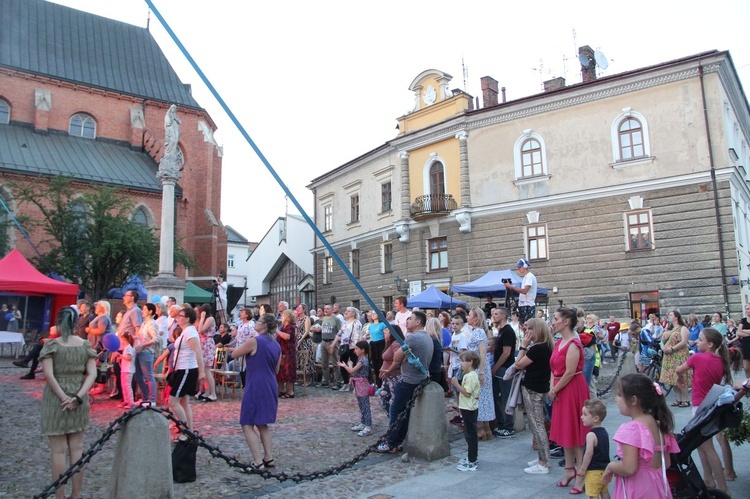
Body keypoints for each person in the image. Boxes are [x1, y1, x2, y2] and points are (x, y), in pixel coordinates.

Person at [39, 307, 97, 499]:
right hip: (78, 396)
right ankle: (77, 494)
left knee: (58, 451)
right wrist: (78, 397)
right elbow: (92, 374)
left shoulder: (51, 345)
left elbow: (49, 374)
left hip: (56, 400)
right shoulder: (84, 345)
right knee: (77, 449)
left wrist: (64, 397)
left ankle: (60, 495)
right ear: (75, 323)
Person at [602, 373, 679, 499]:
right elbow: (667, 463)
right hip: (658, 488)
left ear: (633, 400)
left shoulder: (631, 429)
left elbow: (629, 468)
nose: (616, 399)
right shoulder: (659, 426)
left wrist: (611, 466)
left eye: (619, 395)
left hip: (637, 490)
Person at [675, 327, 733, 494]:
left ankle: (723, 486)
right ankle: (708, 478)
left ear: (709, 344)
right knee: (700, 443)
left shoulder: (698, 358)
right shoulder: (720, 360)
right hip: (712, 404)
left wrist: (680, 379)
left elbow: (679, 369)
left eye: (700, 340)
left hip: (700, 406)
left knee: (707, 447)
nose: (697, 342)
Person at [376, 311, 433, 453]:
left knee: (396, 411)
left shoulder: (412, 338)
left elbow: (396, 356)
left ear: (418, 322)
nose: (407, 322)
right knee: (404, 412)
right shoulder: (427, 337)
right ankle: (398, 440)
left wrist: (402, 358)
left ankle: (391, 442)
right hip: (418, 378)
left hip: (409, 380)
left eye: (410, 319)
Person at [231, 313, 281, 470]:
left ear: (264, 325)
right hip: (270, 383)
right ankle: (269, 457)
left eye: (258, 321)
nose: (255, 324)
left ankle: (257, 460)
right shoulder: (276, 344)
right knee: (262, 423)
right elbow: (277, 369)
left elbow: (234, 354)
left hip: (256, 384)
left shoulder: (254, 341)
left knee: (247, 423)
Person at [549, 307, 590, 490]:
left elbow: (570, 372)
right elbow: (554, 368)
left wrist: (555, 388)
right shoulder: (559, 343)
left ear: (566, 321)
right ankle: (568, 469)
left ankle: (581, 473)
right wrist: (552, 387)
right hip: (560, 388)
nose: (553, 321)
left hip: (572, 388)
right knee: (566, 430)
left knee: (576, 431)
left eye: (556, 318)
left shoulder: (574, 343)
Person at [517, 318, 553, 475]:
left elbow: (518, 363)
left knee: (537, 424)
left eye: (529, 328)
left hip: (534, 389)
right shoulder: (543, 346)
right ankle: (542, 457)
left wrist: (523, 345)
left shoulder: (539, 348)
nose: (526, 331)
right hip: (536, 386)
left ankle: (544, 461)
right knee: (535, 424)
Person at [169, 307, 206, 434]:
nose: (177, 317)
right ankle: (189, 430)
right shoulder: (186, 331)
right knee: (184, 402)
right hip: (182, 369)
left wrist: (202, 373)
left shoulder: (190, 332)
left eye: (181, 315)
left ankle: (184, 431)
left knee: (173, 402)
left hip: (186, 369)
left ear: (188, 319)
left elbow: (198, 351)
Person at [466, 308, 495, 440]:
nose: (467, 317)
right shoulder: (479, 331)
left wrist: (481, 372)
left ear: (476, 318)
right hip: (481, 367)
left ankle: (480, 430)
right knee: (484, 399)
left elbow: (482, 352)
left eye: (470, 315)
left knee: (477, 399)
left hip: (478, 368)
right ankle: (486, 429)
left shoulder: (477, 332)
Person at [573, 399, 610, 498]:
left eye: (585, 415)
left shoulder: (591, 435)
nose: (581, 417)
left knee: (593, 494)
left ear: (595, 418)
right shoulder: (604, 432)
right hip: (604, 469)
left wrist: (582, 469)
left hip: (593, 471)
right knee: (604, 490)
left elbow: (588, 454)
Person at [490, 307, 516, 438]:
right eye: (493, 314)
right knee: (496, 396)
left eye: (496, 314)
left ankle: (509, 426)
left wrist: (495, 367)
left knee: (506, 397)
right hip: (500, 368)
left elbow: (506, 353)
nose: (493, 316)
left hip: (504, 368)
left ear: (504, 316)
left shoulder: (508, 331)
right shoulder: (501, 331)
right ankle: (501, 423)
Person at [452, 350, 481, 472]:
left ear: (471, 362)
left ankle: (472, 460)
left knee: (470, 434)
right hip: (467, 407)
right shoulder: (469, 375)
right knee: (469, 433)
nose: (461, 364)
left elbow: (467, 392)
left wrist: (456, 384)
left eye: (463, 361)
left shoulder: (470, 376)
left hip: (469, 408)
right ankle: (471, 457)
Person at [339, 340, 373, 437]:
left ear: (362, 350)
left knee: (365, 405)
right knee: (361, 404)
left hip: (362, 385)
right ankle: (363, 423)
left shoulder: (363, 360)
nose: (355, 351)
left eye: (357, 349)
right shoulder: (360, 360)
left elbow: (352, 370)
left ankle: (368, 426)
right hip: (358, 384)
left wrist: (346, 365)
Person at [660, 310, 692, 408]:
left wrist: (672, 348)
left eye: (670, 315)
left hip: (678, 355)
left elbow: (683, 342)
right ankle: (678, 399)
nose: (669, 316)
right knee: (672, 378)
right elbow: (662, 340)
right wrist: (663, 348)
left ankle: (686, 399)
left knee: (681, 377)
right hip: (669, 357)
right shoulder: (669, 328)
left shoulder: (683, 328)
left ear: (676, 317)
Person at [332, 306, 362, 391]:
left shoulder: (356, 323)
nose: (346, 312)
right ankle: (345, 383)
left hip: (352, 346)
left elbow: (356, 334)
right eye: (346, 311)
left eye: (348, 311)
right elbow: (339, 334)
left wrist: (356, 347)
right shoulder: (344, 323)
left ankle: (356, 385)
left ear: (353, 313)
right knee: (342, 364)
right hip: (344, 346)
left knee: (354, 364)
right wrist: (333, 344)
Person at [378, 325, 403, 414]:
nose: (385, 332)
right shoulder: (390, 344)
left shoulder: (396, 344)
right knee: (383, 398)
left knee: (393, 400)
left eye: (387, 331)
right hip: (388, 377)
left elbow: (398, 358)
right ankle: (393, 419)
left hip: (394, 376)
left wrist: (389, 370)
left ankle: (396, 420)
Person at [317, 304, 343, 389]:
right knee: (324, 363)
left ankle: (338, 382)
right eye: (325, 309)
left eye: (328, 309)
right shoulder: (324, 319)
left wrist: (337, 343)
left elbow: (340, 331)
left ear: (332, 310)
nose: (326, 310)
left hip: (332, 342)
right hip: (324, 341)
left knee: (335, 362)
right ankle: (325, 381)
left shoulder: (336, 319)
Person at [504, 259, 537, 324]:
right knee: (523, 326)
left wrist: (510, 287)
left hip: (527, 305)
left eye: (520, 267)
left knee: (527, 326)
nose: (518, 268)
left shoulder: (529, 276)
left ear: (525, 266)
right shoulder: (526, 277)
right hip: (525, 305)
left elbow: (524, 291)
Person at [196, 304, 218, 402]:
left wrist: (202, 318)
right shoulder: (204, 319)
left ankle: (213, 393)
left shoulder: (210, 319)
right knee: (203, 370)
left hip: (208, 344)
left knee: (208, 370)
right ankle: (207, 391)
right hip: (203, 343)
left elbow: (201, 330)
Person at [276, 309, 297, 398]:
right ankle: (281, 390)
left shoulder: (290, 327)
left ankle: (290, 391)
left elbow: (287, 337)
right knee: (280, 372)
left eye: (283, 315)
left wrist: (277, 331)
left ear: (287, 317)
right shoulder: (283, 327)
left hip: (288, 353)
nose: (282, 317)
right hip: (282, 352)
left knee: (288, 372)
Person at [294, 304, 316, 386]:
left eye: (300, 308)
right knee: (299, 359)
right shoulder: (297, 319)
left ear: (304, 310)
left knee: (306, 359)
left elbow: (307, 331)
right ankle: (300, 378)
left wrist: (300, 340)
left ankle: (308, 379)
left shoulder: (307, 319)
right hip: (298, 340)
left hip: (305, 341)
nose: (298, 310)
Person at [112, 332, 136, 409]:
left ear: (125, 339)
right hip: (124, 369)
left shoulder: (129, 348)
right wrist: (121, 358)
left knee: (127, 386)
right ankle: (126, 400)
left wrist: (120, 355)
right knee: (124, 385)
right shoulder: (126, 348)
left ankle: (131, 402)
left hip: (128, 370)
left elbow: (129, 358)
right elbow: (126, 357)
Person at [367, 310, 387, 387]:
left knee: (380, 364)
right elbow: (370, 335)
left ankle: (383, 384)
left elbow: (385, 336)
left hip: (380, 344)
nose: (373, 315)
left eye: (375, 313)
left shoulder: (382, 324)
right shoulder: (371, 326)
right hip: (373, 344)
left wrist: (385, 347)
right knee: (375, 364)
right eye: (372, 314)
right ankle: (378, 384)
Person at [737, 303, 750, 379]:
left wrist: (744, 331)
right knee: (746, 368)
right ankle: (748, 383)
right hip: (745, 345)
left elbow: (742, 331)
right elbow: (738, 333)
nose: (748, 310)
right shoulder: (743, 320)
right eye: (747, 309)